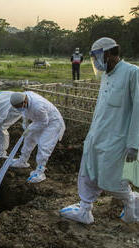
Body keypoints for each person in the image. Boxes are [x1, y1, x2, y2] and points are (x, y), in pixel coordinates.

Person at [60, 37, 139, 224]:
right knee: (87, 172)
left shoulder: (132, 73)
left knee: (112, 180)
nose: (95, 62)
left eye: (97, 57)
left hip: (117, 140)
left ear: (109, 54)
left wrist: (134, 144)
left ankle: (131, 203)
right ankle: (84, 210)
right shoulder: (106, 75)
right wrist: (91, 134)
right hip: (97, 136)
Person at [10, 91, 65, 183]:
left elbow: (44, 122)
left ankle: (40, 171)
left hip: (53, 123)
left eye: (19, 107)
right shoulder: (23, 96)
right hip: (39, 120)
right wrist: (25, 123)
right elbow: (25, 112)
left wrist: (30, 128)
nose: (19, 109)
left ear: (24, 102)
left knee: (44, 145)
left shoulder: (38, 106)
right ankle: (23, 161)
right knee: (28, 138)